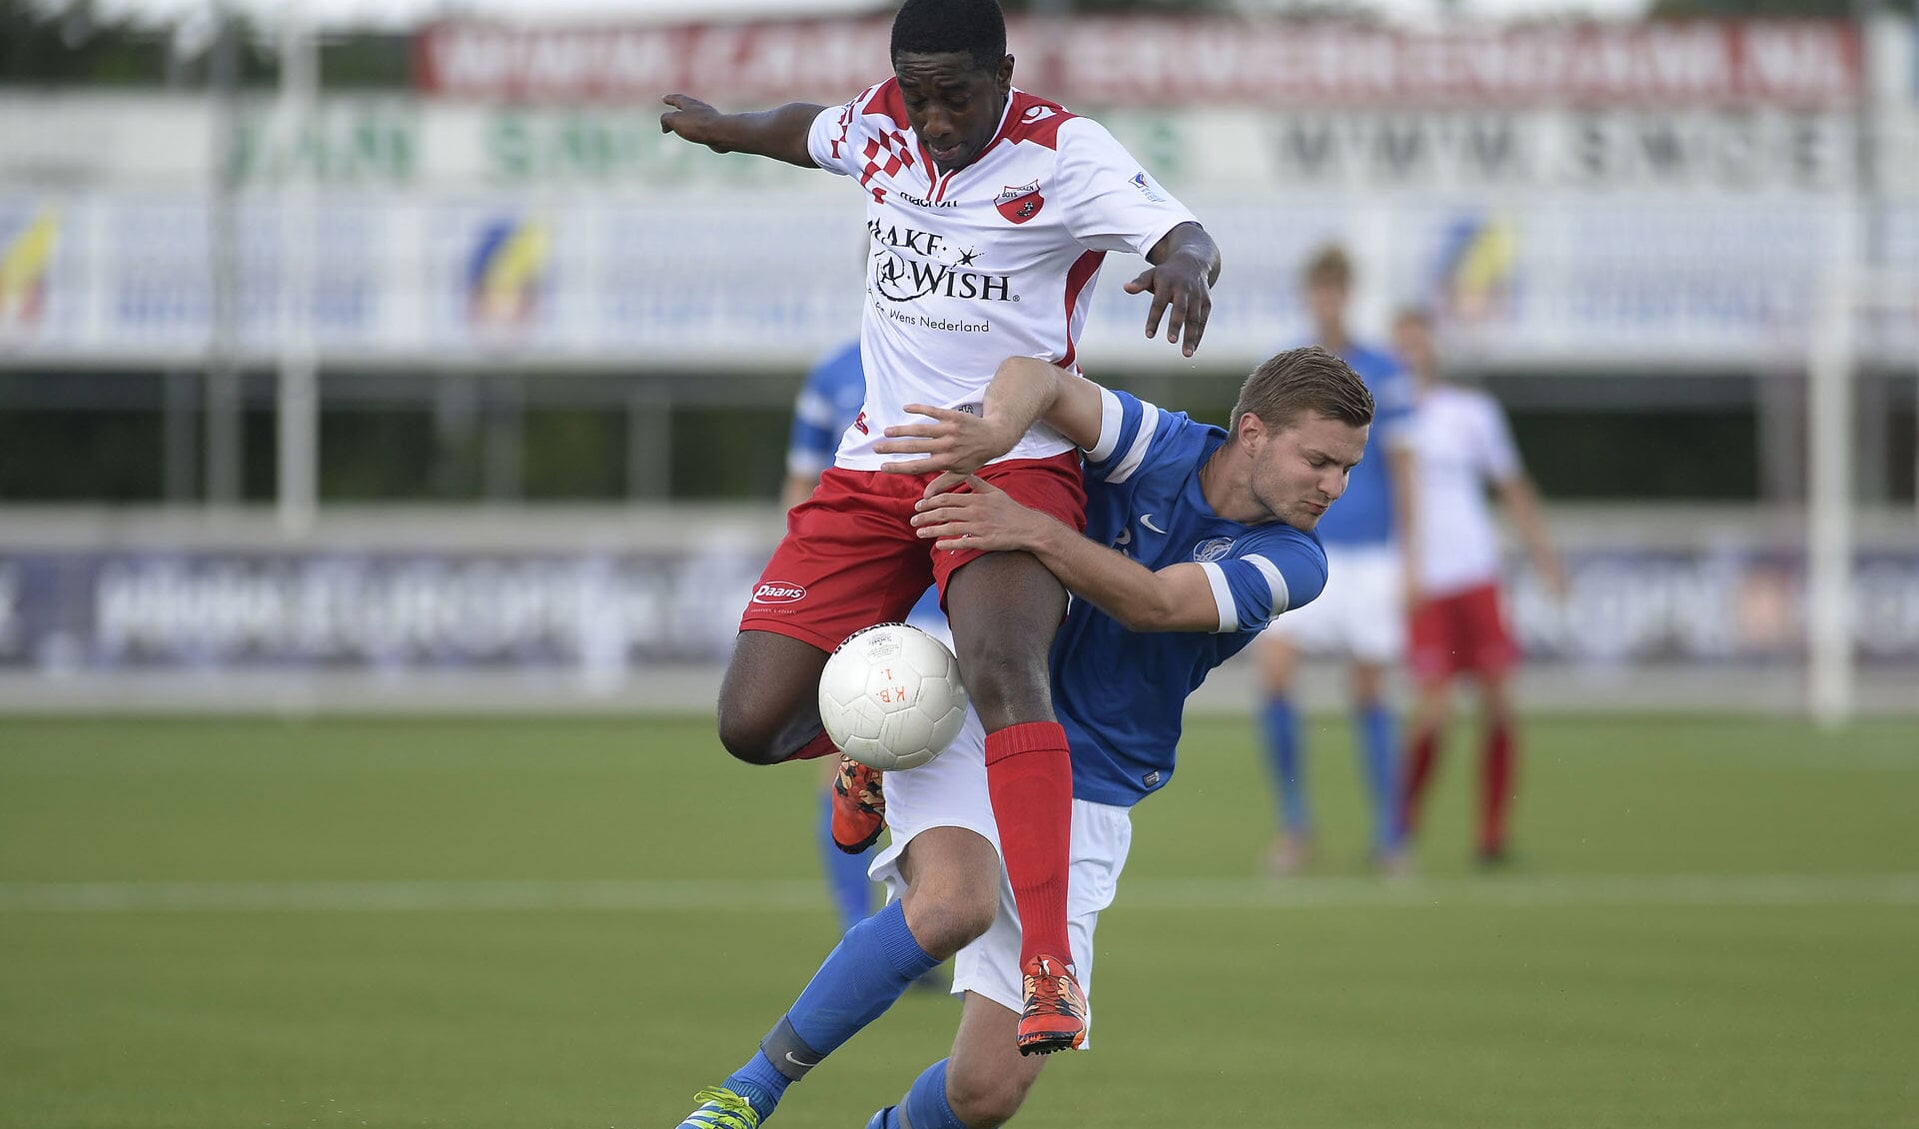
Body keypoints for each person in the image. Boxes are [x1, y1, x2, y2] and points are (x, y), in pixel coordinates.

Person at [661, 0, 1220, 1054]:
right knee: (750, 723)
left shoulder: (1062, 152)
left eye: (954, 93)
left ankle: (1046, 963)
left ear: (1003, 71)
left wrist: (1186, 261)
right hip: (878, 468)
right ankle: (869, 747)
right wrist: (719, 125)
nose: (931, 116)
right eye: (915, 92)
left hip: (1013, 462)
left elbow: (1176, 230)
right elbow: (800, 129)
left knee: (1006, 666)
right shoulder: (883, 121)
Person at [677, 346, 1373, 1129]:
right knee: (949, 907)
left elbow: (1150, 602)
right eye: (1319, 460)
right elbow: (1037, 374)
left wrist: (1031, 529)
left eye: (1346, 469)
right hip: (981, 718)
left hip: (1098, 778)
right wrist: (999, 426)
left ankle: (870, 759)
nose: (1333, 487)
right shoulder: (1160, 441)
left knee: (985, 1093)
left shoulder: (1296, 560)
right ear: (1251, 432)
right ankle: (744, 1095)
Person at [1253, 243, 1418, 874]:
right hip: (1301, 546)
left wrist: (1413, 557)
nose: (1327, 302)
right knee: (1274, 675)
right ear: (1309, 296)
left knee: (1372, 691)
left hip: (1372, 553)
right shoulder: (1288, 375)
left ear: (1348, 295)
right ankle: (1295, 827)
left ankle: (1390, 835)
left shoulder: (1383, 367)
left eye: (1336, 290)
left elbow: (1405, 467)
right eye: (1319, 290)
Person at [782, 339, 948, 942]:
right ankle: (861, 927)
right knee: (845, 768)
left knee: (943, 777)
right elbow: (801, 487)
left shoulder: (979, 346)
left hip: (952, 597)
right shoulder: (830, 375)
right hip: (866, 596)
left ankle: (915, 924)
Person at [1392, 308, 1564, 865]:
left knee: (1500, 705)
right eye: (1402, 344)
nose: (1411, 353)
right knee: (1435, 711)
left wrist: (1544, 556)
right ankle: (1402, 819)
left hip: (1476, 574)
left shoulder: (1471, 412)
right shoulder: (1378, 418)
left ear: (1433, 348)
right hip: (1425, 582)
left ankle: (1492, 833)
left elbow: (1510, 484)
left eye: (1418, 342)